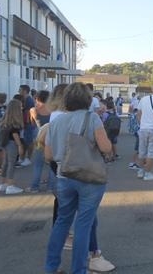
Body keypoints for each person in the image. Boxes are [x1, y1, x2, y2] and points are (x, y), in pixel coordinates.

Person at [44, 82, 114, 274]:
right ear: (87, 100)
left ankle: (51, 266)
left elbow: (48, 156)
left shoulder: (56, 121)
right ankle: (79, 270)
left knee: (62, 222)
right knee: (84, 224)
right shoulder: (92, 118)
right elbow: (106, 147)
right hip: (89, 178)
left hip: (63, 177)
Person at [27, 90, 53, 193]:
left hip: (39, 138)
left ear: (37, 98)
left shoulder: (33, 110)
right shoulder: (53, 110)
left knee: (38, 165)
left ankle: (34, 187)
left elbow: (32, 123)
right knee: (52, 164)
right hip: (51, 139)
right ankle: (50, 187)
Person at [0, 99, 25, 194]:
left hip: (5, 143)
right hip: (12, 144)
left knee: (6, 163)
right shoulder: (15, 121)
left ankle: (3, 184)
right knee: (11, 164)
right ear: (16, 109)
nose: (22, 108)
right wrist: (20, 145)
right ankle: (10, 186)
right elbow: (15, 134)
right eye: (20, 106)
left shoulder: (5, 119)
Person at [19, 84, 36, 167]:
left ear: (25, 91)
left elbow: (28, 113)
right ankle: (22, 158)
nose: (19, 91)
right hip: (25, 124)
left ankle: (28, 159)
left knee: (29, 142)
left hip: (28, 124)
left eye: (20, 90)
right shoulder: (25, 99)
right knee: (24, 142)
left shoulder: (29, 100)